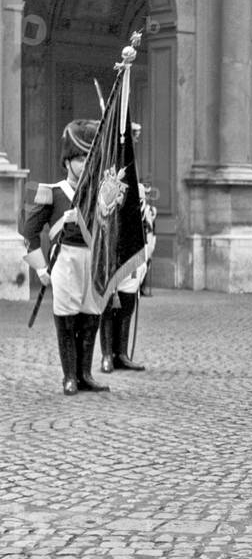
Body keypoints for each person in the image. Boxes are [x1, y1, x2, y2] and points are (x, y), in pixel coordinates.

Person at [20, 119, 109, 396]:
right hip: (65, 259)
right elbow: (29, 232)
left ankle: (85, 374)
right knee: (67, 317)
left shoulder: (98, 194)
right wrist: (40, 269)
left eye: (88, 159)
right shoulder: (53, 192)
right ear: (67, 161)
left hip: (92, 259)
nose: (84, 164)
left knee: (91, 316)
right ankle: (69, 376)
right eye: (79, 159)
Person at [99, 122, 157, 374]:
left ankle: (120, 353)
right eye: (131, 136)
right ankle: (106, 355)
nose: (134, 140)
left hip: (132, 249)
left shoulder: (136, 183)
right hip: (110, 250)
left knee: (127, 301)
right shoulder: (106, 176)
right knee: (108, 304)